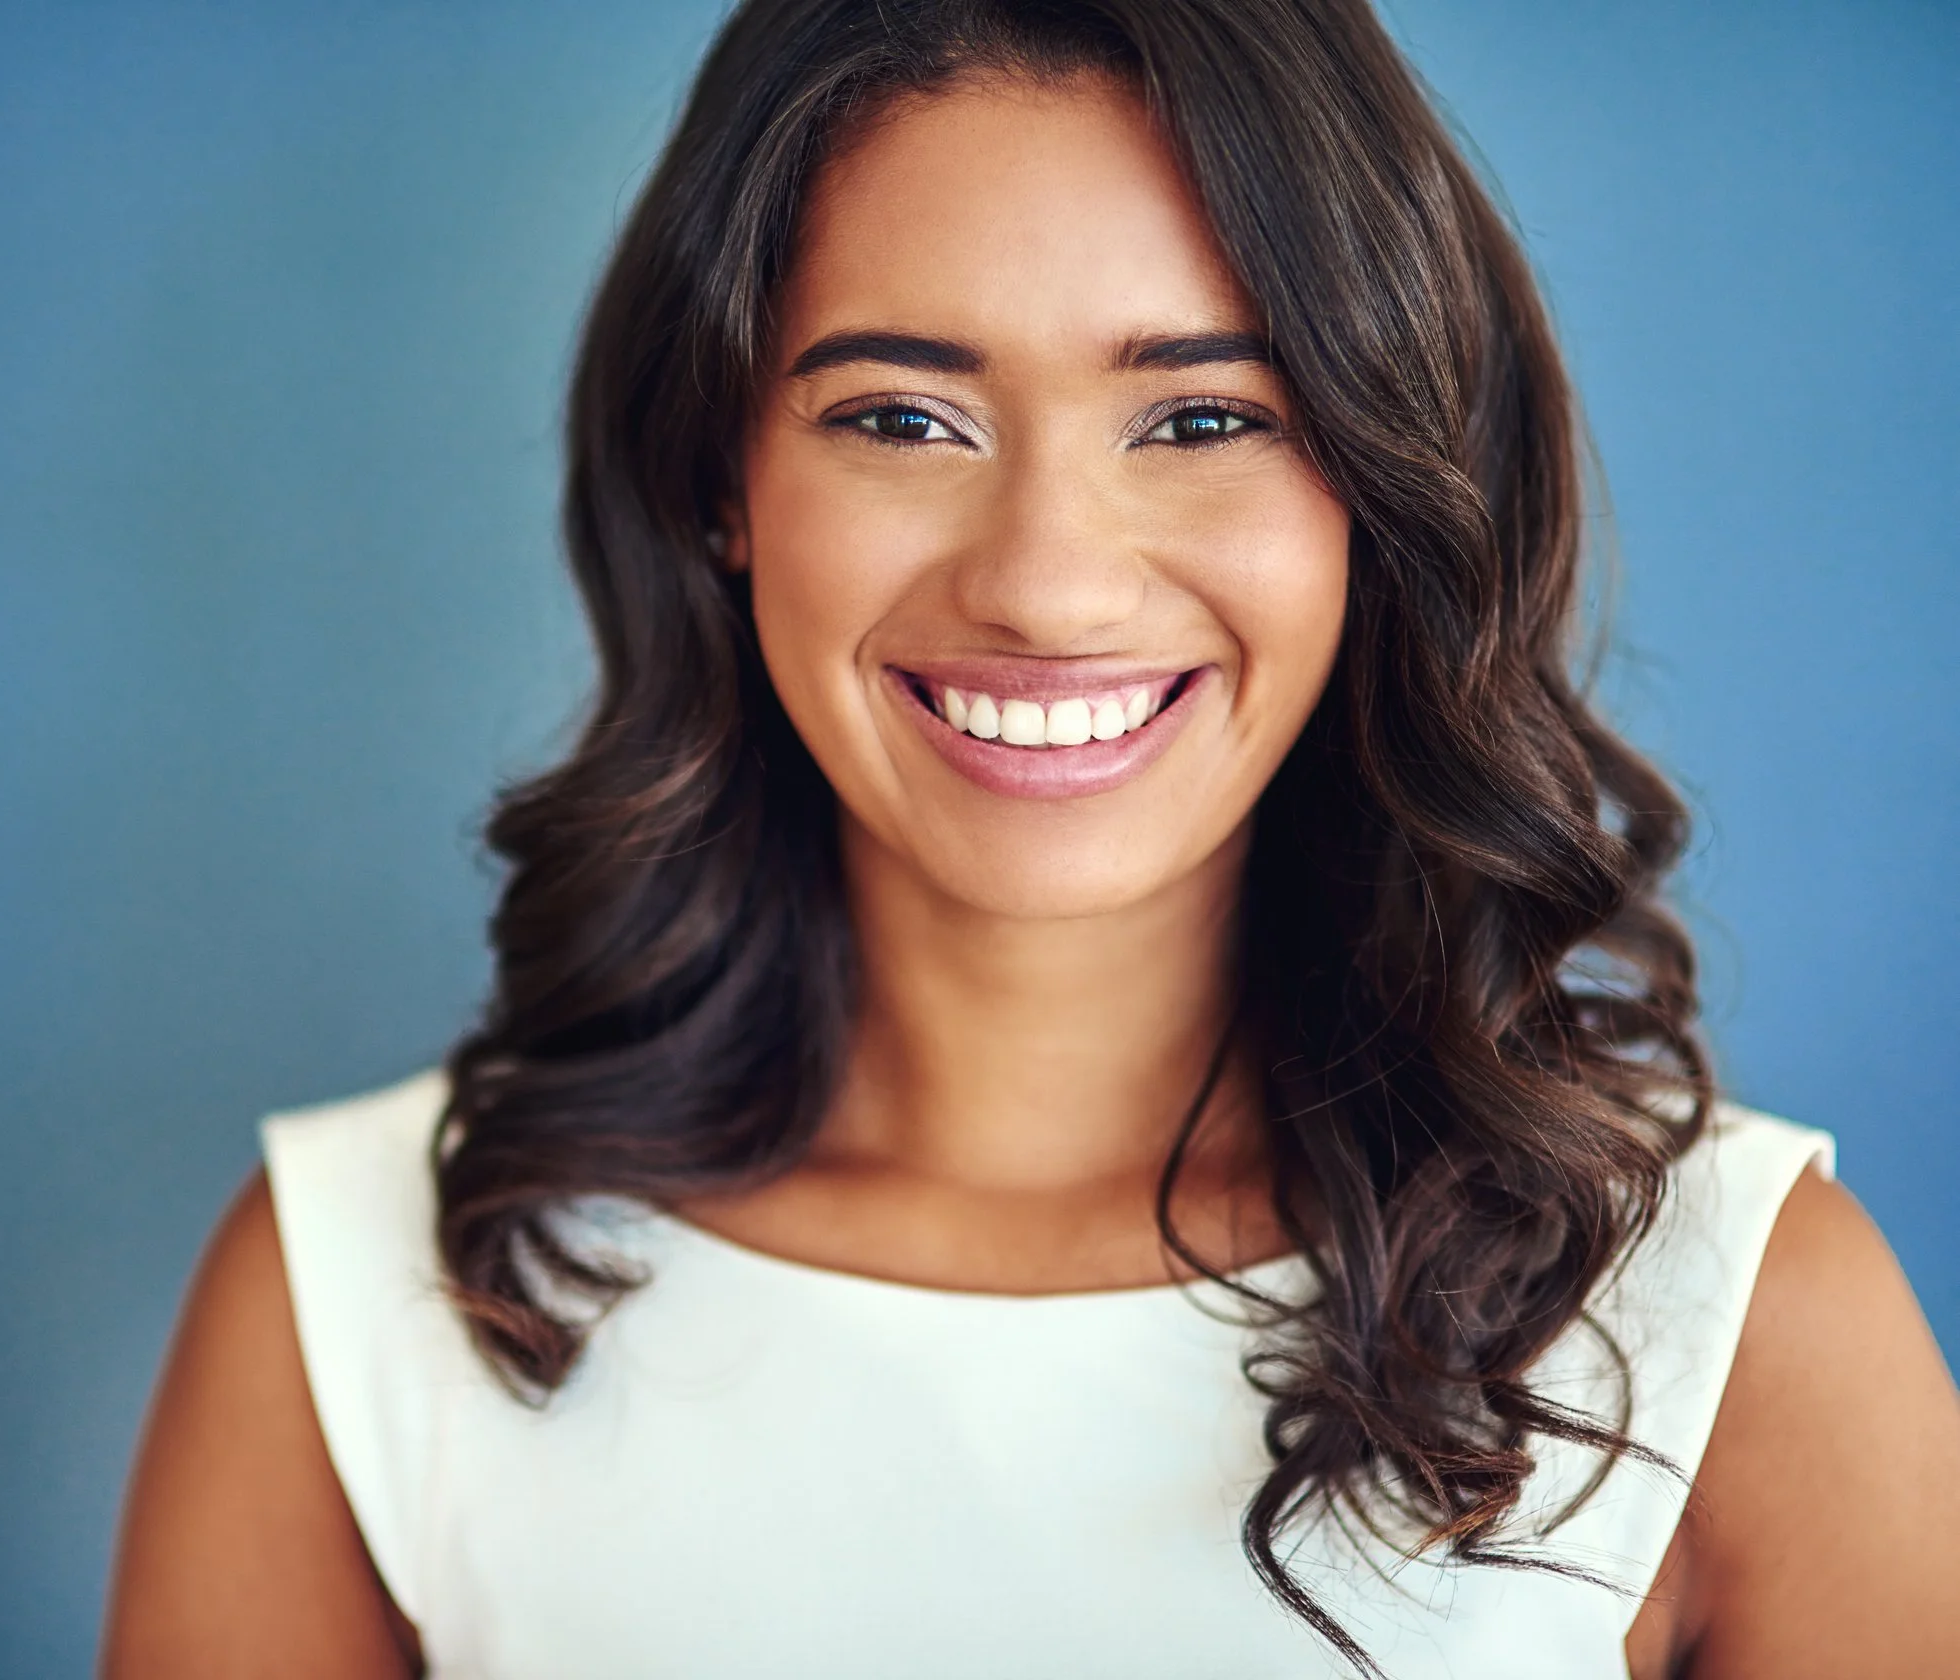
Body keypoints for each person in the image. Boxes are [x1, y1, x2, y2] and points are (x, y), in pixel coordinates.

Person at [100, 2, 1960, 1674]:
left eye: (1204, 416)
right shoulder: (357, 1300)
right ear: (717, 483)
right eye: (903, 416)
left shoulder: (1738, 1329)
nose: (1050, 587)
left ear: (1385, 493)